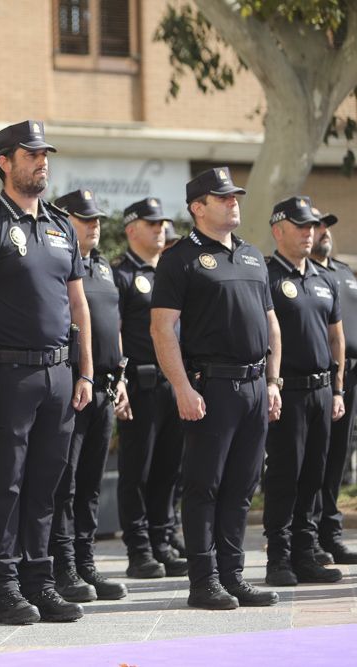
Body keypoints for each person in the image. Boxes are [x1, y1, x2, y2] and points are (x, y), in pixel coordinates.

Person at [0, 120, 92, 625]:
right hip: (8, 375)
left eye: (44, 154)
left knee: (46, 485)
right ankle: (6, 588)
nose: (42, 161)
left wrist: (85, 371)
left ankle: (42, 580)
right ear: (4, 163)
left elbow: (77, 306)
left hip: (59, 373)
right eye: (30, 154)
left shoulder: (60, 227)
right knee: (5, 485)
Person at [150, 166, 281, 610]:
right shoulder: (179, 258)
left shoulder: (251, 256)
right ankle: (203, 581)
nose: (233, 202)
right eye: (222, 197)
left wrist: (273, 381)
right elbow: (162, 329)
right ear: (197, 207)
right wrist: (182, 388)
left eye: (234, 196)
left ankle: (233, 575)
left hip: (255, 386)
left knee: (242, 486)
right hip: (213, 386)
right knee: (204, 485)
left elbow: (270, 325)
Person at [49, 189, 129, 603]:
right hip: (70, 386)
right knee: (65, 482)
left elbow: (111, 325)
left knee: (91, 484)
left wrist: (121, 377)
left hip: (104, 387)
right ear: (65, 220)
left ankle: (85, 563)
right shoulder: (58, 264)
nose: (95, 225)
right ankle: (61, 566)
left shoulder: (102, 266)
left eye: (97, 218)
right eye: (85, 218)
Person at [262, 196, 345, 587]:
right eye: (301, 226)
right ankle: (278, 558)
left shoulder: (324, 278)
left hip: (322, 391)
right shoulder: (266, 276)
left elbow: (336, 337)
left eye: (312, 226)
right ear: (279, 230)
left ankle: (306, 553)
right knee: (284, 476)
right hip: (288, 392)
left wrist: (339, 388)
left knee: (315, 474)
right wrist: (270, 384)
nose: (309, 233)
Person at [114, 197, 188, 579]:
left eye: (162, 223)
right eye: (151, 223)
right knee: (137, 471)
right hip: (140, 385)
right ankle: (140, 549)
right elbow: (117, 333)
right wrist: (120, 381)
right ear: (131, 230)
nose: (160, 229)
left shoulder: (171, 272)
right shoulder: (122, 274)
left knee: (169, 468)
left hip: (173, 383)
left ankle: (163, 540)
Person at [309, 208, 357, 565]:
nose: (323, 231)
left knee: (337, 458)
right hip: (313, 378)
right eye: (315, 225)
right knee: (313, 458)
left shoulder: (343, 272)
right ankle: (306, 534)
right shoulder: (296, 275)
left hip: (349, 376)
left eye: (326, 225)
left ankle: (331, 532)